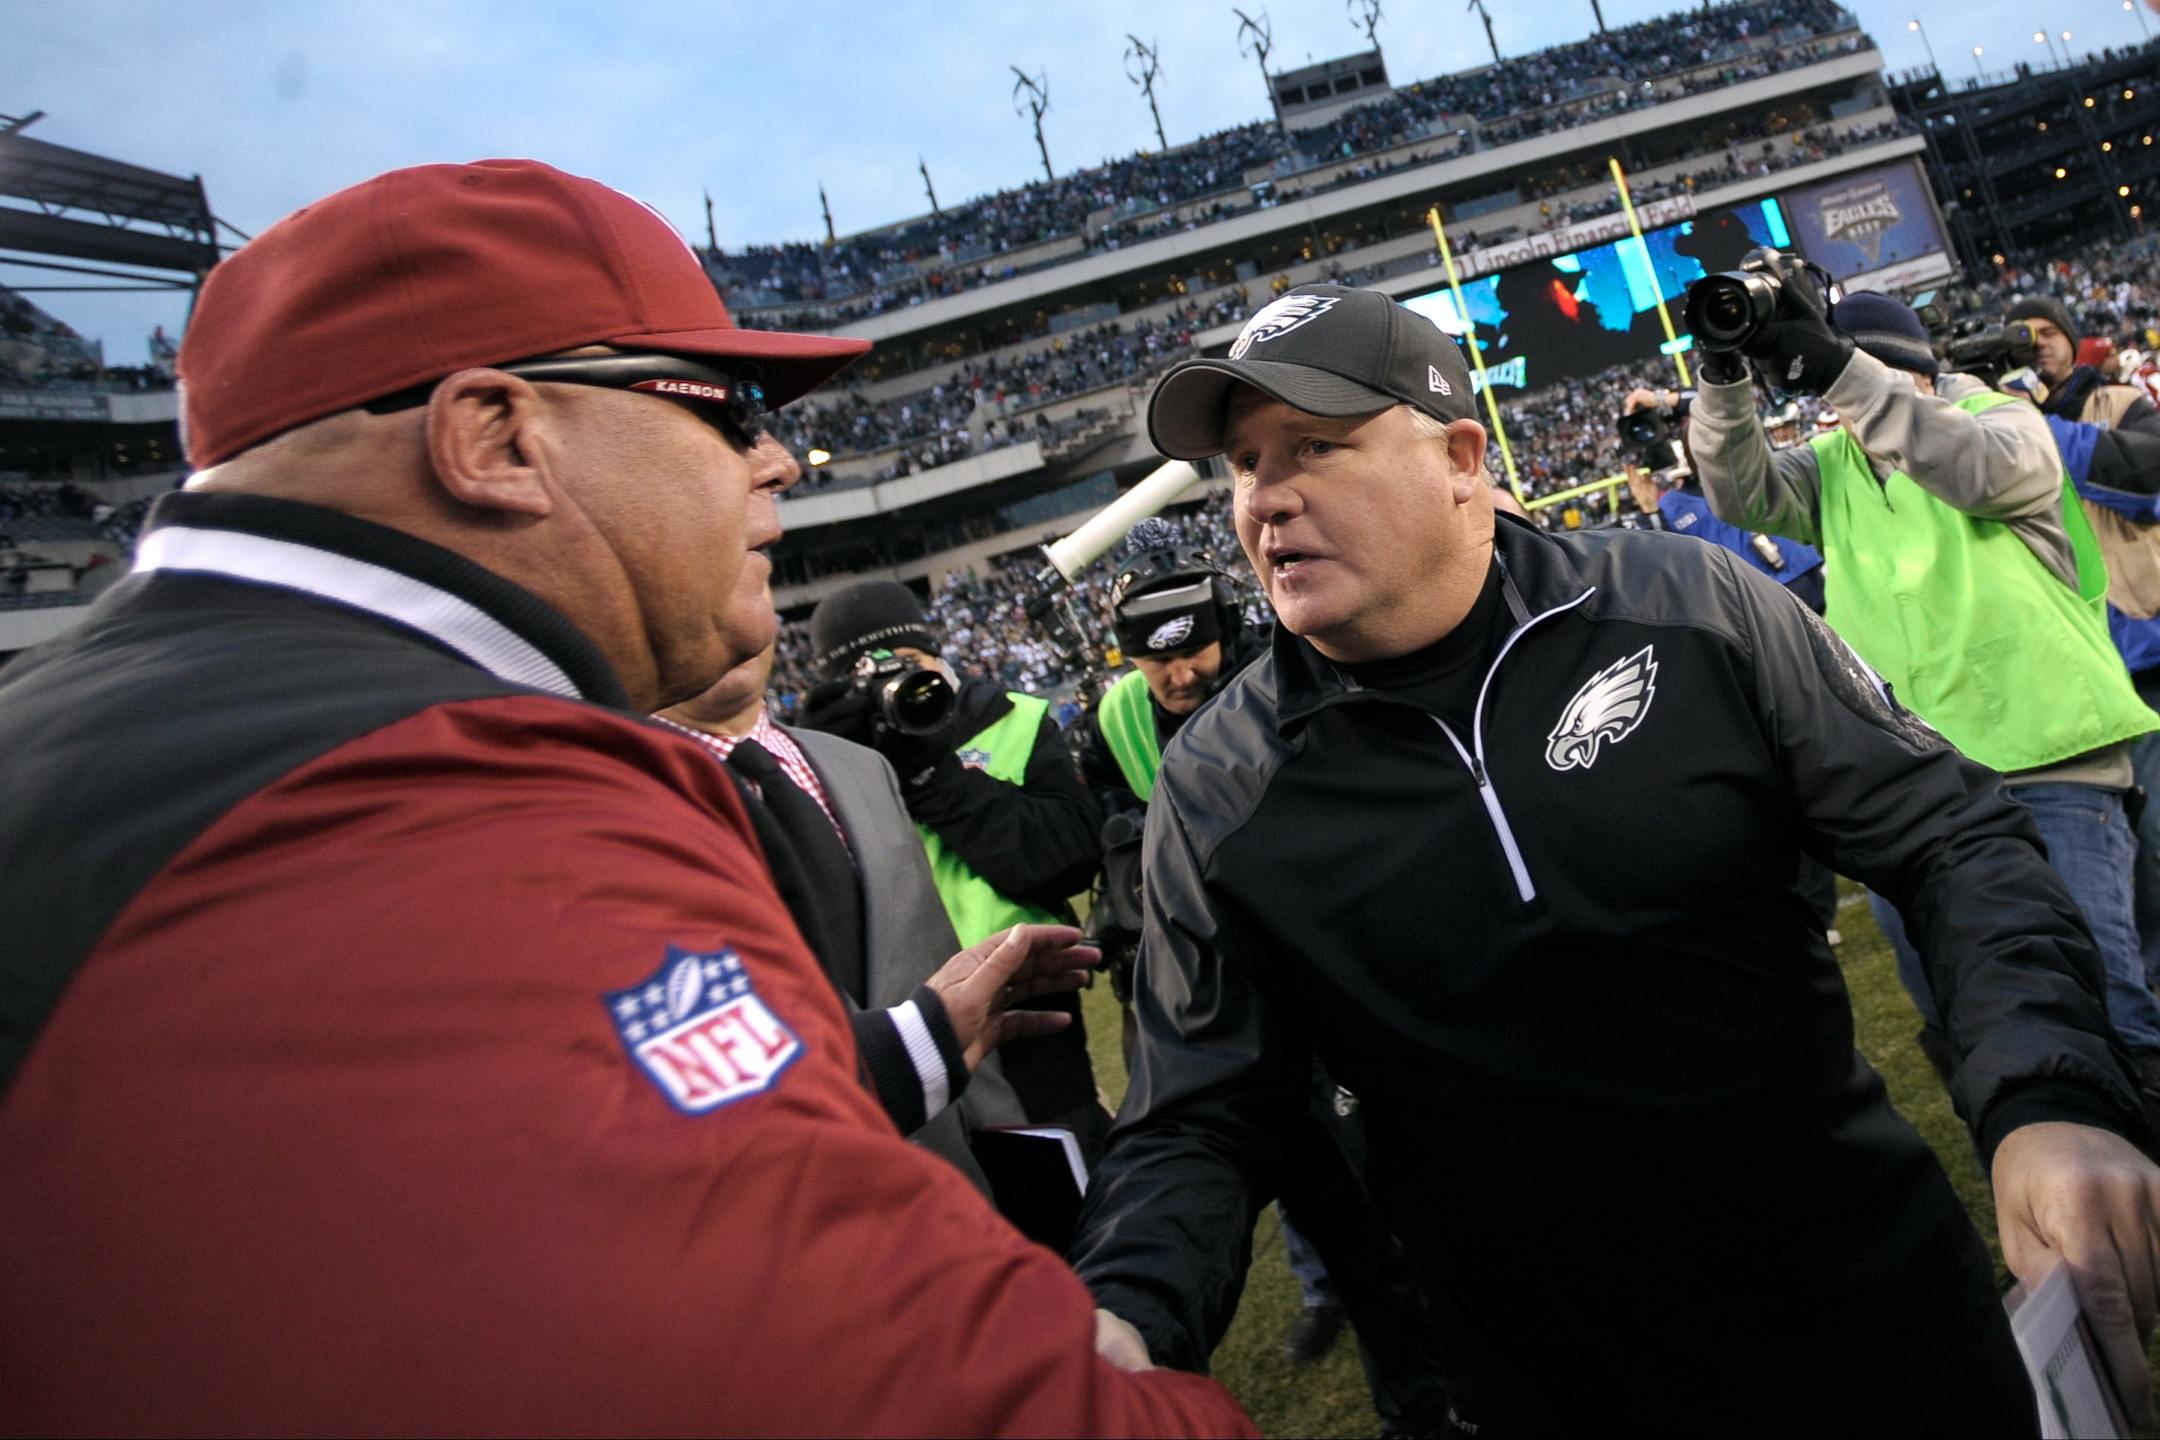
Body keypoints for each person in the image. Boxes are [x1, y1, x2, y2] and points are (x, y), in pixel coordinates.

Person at [0, 159, 1252, 1437]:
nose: (771, 457)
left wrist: (914, 1034)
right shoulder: (438, 791)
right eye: (723, 404)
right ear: (494, 438)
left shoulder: (128, 731)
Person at [1068, 281, 2160, 1434]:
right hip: (1540, 1395)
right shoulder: (1221, 785)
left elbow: (1948, 832)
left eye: (1315, 447)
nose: (1266, 499)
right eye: (1243, 464)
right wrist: (1130, 1312)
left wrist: (2046, 1094)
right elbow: (1197, 1108)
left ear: (1457, 456)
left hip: (1876, 1321)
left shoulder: (1685, 605)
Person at [1687, 281, 2160, 1102]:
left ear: (1902, 368)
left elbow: (1982, 471)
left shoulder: (1998, 422)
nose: (1841, 402)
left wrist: (1839, 369)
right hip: (1914, 794)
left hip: (2051, 763)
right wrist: (1723, 375)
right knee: (1962, 1021)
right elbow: (1738, 489)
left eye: (1857, 373)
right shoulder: (1834, 467)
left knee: (2101, 1004)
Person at [656, 605, 1054, 1193]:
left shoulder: (861, 765)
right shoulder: (607, 806)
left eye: (751, 558)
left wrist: (1006, 1148)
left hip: (956, 1180)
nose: (721, 598)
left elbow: (930, 970)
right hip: (801, 1200)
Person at [801, 579, 1109, 1166]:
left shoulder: (1015, 720)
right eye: (867, 678)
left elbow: (1064, 856)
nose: (896, 686)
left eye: (909, 665)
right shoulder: (822, 766)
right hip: (897, 1021)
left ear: (937, 654)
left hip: (1026, 999)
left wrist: (932, 775)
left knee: (1067, 1173)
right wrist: (827, 774)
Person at [2010, 295, 2160, 995]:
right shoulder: (1991, 431)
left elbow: (2146, 482)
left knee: (2153, 831)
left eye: (2049, 333)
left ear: (2072, 341)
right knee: (2116, 849)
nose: (2040, 345)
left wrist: (2028, 432)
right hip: (2070, 665)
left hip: (2142, 644)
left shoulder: (2123, 402)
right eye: (2026, 337)